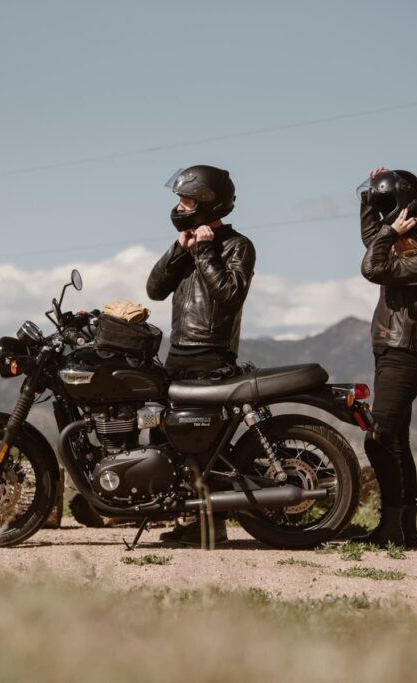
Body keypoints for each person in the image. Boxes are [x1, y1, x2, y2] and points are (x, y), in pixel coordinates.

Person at [146, 164, 256, 546]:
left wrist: (207, 250)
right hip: (177, 354)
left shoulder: (238, 245)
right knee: (167, 436)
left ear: (210, 202)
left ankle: (213, 524)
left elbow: (228, 296)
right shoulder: (189, 242)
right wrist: (181, 249)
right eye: (179, 199)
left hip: (212, 357)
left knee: (208, 445)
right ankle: (190, 516)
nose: (180, 207)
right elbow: (155, 289)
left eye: (187, 199)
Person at [354, 166, 417, 548]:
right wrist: (369, 199)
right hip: (391, 358)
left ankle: (391, 525)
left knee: (378, 440)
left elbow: (371, 266)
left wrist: (390, 232)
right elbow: (371, 242)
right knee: (396, 444)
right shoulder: (404, 258)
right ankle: (405, 528)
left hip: (402, 359)